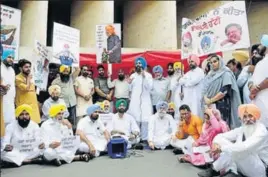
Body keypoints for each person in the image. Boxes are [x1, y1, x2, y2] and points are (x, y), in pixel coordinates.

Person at [198, 104, 268, 177]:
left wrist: (222, 149)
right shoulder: (242, 129)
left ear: (256, 116)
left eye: (250, 116)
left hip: (259, 169)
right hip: (243, 166)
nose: (247, 119)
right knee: (229, 146)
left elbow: (245, 147)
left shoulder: (261, 130)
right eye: (244, 116)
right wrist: (216, 143)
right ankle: (231, 172)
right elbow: (221, 136)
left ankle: (215, 169)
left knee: (238, 150)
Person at [202, 54, 241, 129]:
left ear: (220, 61)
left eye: (215, 61)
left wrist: (211, 100)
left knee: (221, 125)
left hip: (222, 104)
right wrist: (205, 98)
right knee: (211, 126)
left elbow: (224, 90)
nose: (213, 64)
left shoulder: (226, 73)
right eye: (211, 62)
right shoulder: (210, 75)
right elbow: (204, 89)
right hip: (209, 104)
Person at [127, 57, 153, 142]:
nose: (138, 65)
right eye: (137, 64)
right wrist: (129, 83)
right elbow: (130, 89)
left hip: (145, 101)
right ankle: (136, 139)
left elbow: (149, 87)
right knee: (135, 120)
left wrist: (144, 76)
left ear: (143, 66)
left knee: (145, 120)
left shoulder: (148, 75)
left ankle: (145, 139)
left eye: (140, 64)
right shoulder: (132, 76)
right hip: (135, 101)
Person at [248, 35, 268, 128]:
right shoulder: (260, 63)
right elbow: (252, 79)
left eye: (261, 44)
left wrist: (257, 89)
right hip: (258, 103)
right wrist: (251, 87)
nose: (259, 47)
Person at [15, 59, 41, 124]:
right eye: (26, 67)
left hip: (33, 105)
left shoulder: (31, 76)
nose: (28, 69)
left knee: (35, 125)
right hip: (24, 107)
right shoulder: (17, 78)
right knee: (25, 124)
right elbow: (26, 89)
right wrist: (28, 79)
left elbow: (40, 83)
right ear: (20, 68)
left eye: (29, 67)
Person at [1, 55, 15, 126]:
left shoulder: (12, 70)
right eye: (9, 57)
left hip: (10, 99)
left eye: (13, 58)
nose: (11, 59)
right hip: (2, 97)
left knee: (9, 120)